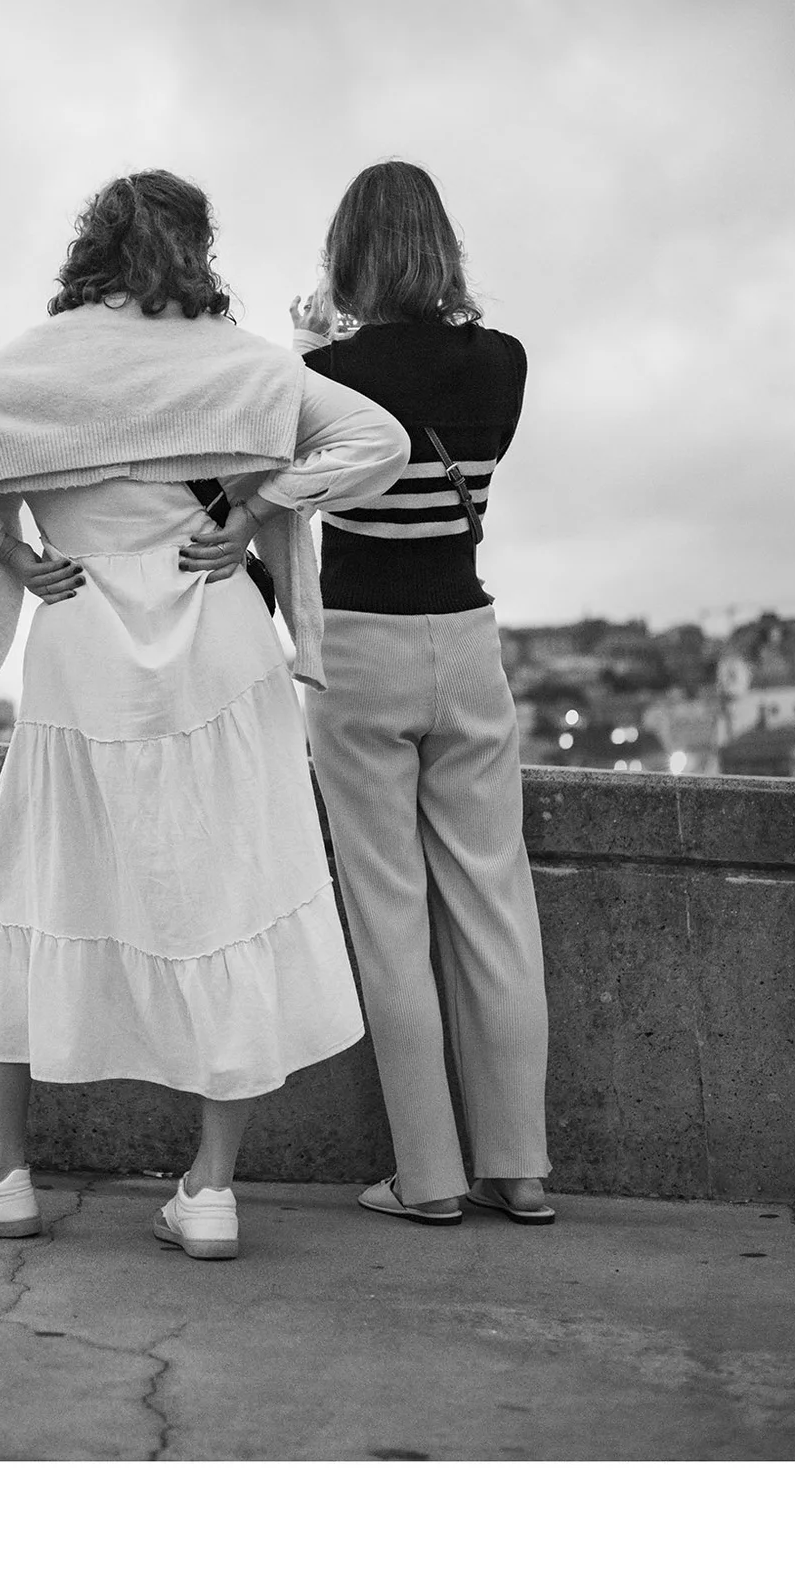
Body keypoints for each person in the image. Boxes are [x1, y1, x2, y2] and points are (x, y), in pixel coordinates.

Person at [0, 170, 409, 1260]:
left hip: (83, 657)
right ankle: (209, 1191)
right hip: (221, 655)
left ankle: (1, 1174)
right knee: (230, 896)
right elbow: (380, 444)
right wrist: (256, 506)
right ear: (198, 250)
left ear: (94, 247)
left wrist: (6, 549)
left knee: (23, 893)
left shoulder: (34, 365)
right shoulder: (241, 363)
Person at [291, 160, 554, 1227]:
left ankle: (430, 1177)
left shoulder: (326, 373)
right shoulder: (504, 363)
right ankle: (519, 1167)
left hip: (359, 645)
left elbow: (295, 471)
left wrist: (317, 344)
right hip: (467, 638)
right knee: (495, 906)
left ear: (347, 255)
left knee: (388, 914)